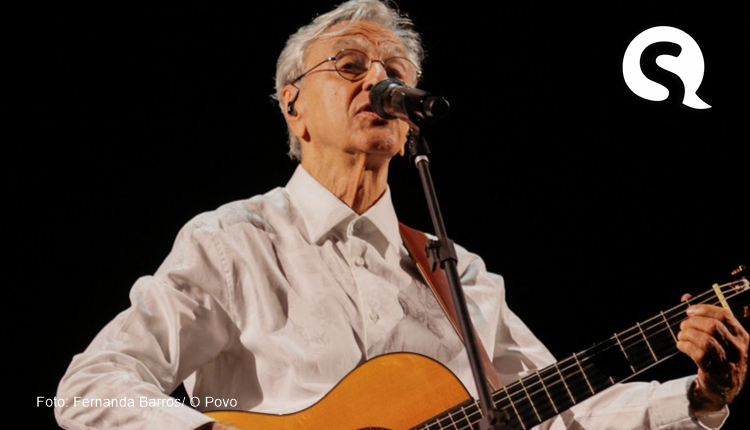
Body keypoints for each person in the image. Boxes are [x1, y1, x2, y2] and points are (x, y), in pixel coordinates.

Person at [55, 1, 748, 429]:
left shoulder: (456, 271)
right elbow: (90, 389)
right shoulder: (233, 244)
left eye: (394, 71)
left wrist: (699, 398)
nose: (378, 80)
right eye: (350, 66)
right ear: (293, 106)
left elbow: (562, 412)